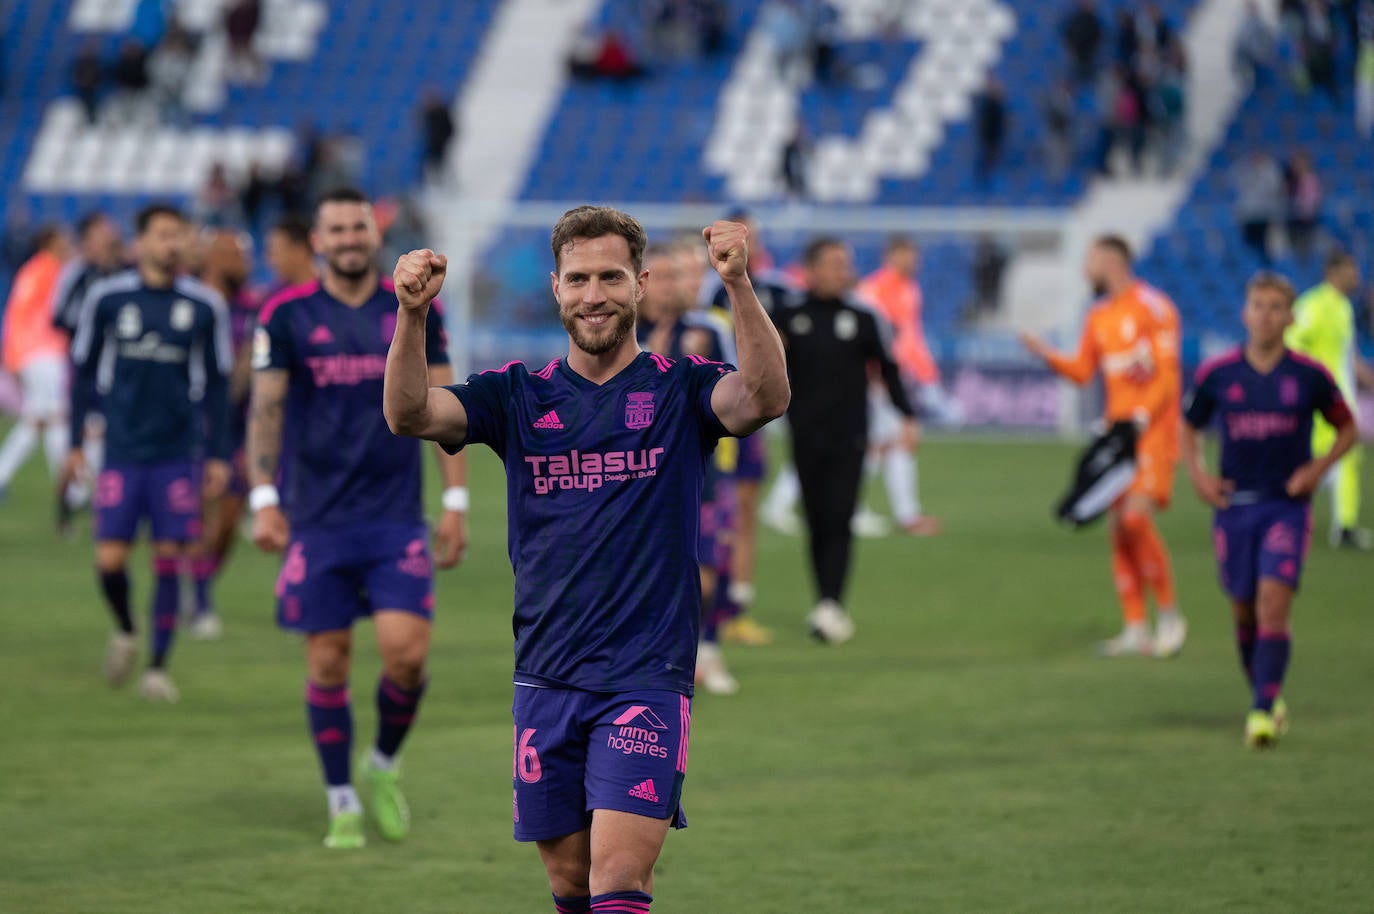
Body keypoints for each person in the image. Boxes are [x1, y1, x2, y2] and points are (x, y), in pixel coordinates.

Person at [382, 206, 788, 913]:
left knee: (616, 877)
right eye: (578, 279)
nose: (593, 294)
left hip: (646, 674)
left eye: (609, 277)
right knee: (570, 883)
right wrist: (411, 317)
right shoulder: (515, 394)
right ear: (556, 287)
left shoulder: (682, 387)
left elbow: (765, 396)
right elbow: (409, 414)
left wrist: (738, 284)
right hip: (546, 674)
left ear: (640, 283)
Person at [247, 188, 468, 850]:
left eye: (358, 227)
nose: (348, 238)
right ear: (317, 240)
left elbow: (449, 403)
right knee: (329, 662)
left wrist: (454, 500)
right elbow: (266, 408)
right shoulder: (285, 314)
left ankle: (383, 767)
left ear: (375, 235)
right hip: (316, 520)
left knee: (406, 656)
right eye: (335, 227)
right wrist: (263, 496)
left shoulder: (414, 309)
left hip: (395, 516)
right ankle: (341, 797)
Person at [1181, 272, 1357, 748]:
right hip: (1234, 507)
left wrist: (1317, 470)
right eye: (1257, 305)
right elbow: (1189, 427)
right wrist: (1198, 476)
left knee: (1273, 604)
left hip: (1286, 506)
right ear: (1244, 313)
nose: (1265, 315)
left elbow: (1348, 429)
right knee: (1244, 611)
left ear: (1290, 317)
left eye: (1276, 307)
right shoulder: (1217, 375)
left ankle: (1260, 710)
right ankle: (1267, 693)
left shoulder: (1309, 376)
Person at [67, 203, 232, 702]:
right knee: (110, 559)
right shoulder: (108, 298)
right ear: (139, 244)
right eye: (160, 235)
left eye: (176, 235)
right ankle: (125, 628)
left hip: (177, 451)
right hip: (121, 448)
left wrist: (220, 455)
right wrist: (76, 440)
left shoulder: (205, 306)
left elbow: (220, 385)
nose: (170, 244)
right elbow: (83, 371)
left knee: (168, 557)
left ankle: (157, 668)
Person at [1021, 235, 1187, 658]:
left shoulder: (1153, 306)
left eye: (1090, 261)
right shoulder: (1098, 316)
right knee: (1118, 532)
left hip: (1151, 432)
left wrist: (1142, 418)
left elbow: (1167, 376)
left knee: (1135, 521)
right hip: (1117, 435)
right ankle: (1136, 629)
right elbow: (1081, 372)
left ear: (1112, 262)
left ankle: (1170, 617)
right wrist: (1046, 354)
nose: (1084, 270)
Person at [772, 238, 916, 643]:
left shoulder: (864, 316)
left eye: (846, 263)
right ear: (811, 270)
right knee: (816, 520)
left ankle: (831, 602)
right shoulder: (788, 316)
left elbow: (889, 369)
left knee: (840, 517)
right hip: (804, 434)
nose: (843, 271)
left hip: (852, 436)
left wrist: (908, 416)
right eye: (835, 264)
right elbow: (764, 365)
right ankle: (825, 599)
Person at [637, 241, 741, 694]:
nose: (669, 286)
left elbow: (731, 392)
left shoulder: (705, 330)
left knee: (708, 569)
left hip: (700, 468)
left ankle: (710, 651)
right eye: (659, 277)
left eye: (675, 277)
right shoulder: (619, 332)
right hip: (637, 473)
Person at [183, 229, 257, 639]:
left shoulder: (252, 307)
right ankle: (199, 598)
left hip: (237, 425)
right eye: (235, 254)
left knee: (228, 521)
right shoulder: (191, 303)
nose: (244, 262)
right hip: (194, 421)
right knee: (198, 513)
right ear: (214, 258)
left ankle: (200, 584)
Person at [856, 237, 945, 537]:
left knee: (894, 442)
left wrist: (928, 377)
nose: (912, 262)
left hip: (894, 377)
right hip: (876, 378)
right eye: (905, 255)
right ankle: (860, 511)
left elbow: (912, 340)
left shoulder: (909, 290)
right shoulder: (874, 291)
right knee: (887, 441)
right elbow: (870, 340)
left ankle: (905, 515)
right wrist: (875, 376)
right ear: (889, 256)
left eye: (914, 255)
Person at [1285, 252, 1374, 548]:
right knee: (1319, 460)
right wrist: (1306, 384)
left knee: (1345, 457)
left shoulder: (1344, 307)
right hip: (1318, 400)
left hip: (1340, 399)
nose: (1357, 276)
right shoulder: (1314, 305)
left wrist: (1364, 377)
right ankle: (1286, 511)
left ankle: (1345, 525)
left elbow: (1347, 354)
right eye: (1352, 269)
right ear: (1333, 271)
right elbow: (1293, 342)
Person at [0, 226, 72, 505]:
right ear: (50, 242)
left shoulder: (36, 270)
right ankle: (69, 490)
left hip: (34, 353)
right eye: (63, 239)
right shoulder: (47, 270)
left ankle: (3, 475)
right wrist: (13, 354)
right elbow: (21, 314)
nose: (68, 243)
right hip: (42, 352)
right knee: (57, 416)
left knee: (35, 420)